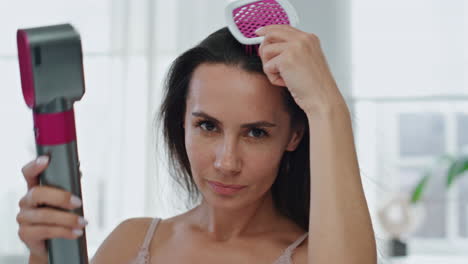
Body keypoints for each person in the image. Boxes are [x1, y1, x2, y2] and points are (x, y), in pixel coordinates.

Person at [17, 25, 377, 264]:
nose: (226, 162)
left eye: (256, 133)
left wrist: (327, 105)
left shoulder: (311, 256)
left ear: (294, 135)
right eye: (207, 126)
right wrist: (43, 255)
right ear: (182, 122)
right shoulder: (132, 244)